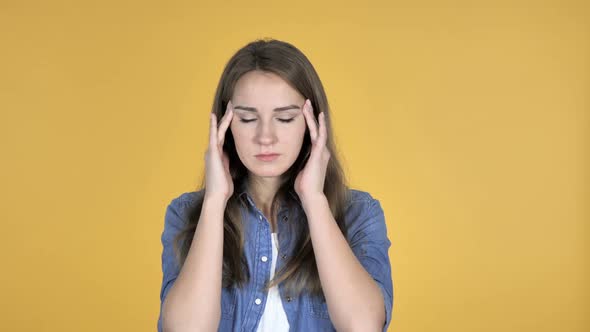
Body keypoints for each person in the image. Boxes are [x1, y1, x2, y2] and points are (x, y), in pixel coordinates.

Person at [157, 38, 394, 332]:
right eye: (246, 119)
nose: (265, 137)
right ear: (225, 126)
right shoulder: (187, 213)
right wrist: (215, 200)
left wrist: (314, 199)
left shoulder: (360, 213)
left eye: (284, 118)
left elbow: (362, 326)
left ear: (312, 125)